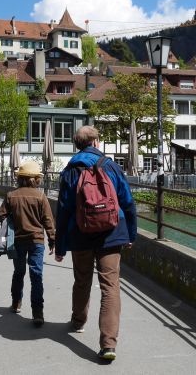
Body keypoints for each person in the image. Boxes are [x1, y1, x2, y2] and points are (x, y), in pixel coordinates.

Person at [55, 125, 137, 362]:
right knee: (110, 287)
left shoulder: (70, 171)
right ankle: (108, 344)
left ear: (77, 145)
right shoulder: (110, 166)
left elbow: (63, 211)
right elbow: (128, 202)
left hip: (80, 233)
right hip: (112, 232)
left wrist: (60, 245)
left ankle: (78, 321)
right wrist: (130, 234)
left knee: (82, 280)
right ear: (96, 142)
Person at [0, 160, 56, 326]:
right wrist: (52, 239)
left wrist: (12, 223)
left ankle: (16, 303)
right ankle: (37, 312)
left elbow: (2, 216)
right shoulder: (40, 196)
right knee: (36, 275)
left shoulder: (11, 196)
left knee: (19, 272)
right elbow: (48, 220)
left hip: (17, 240)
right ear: (36, 179)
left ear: (20, 178)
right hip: (37, 241)